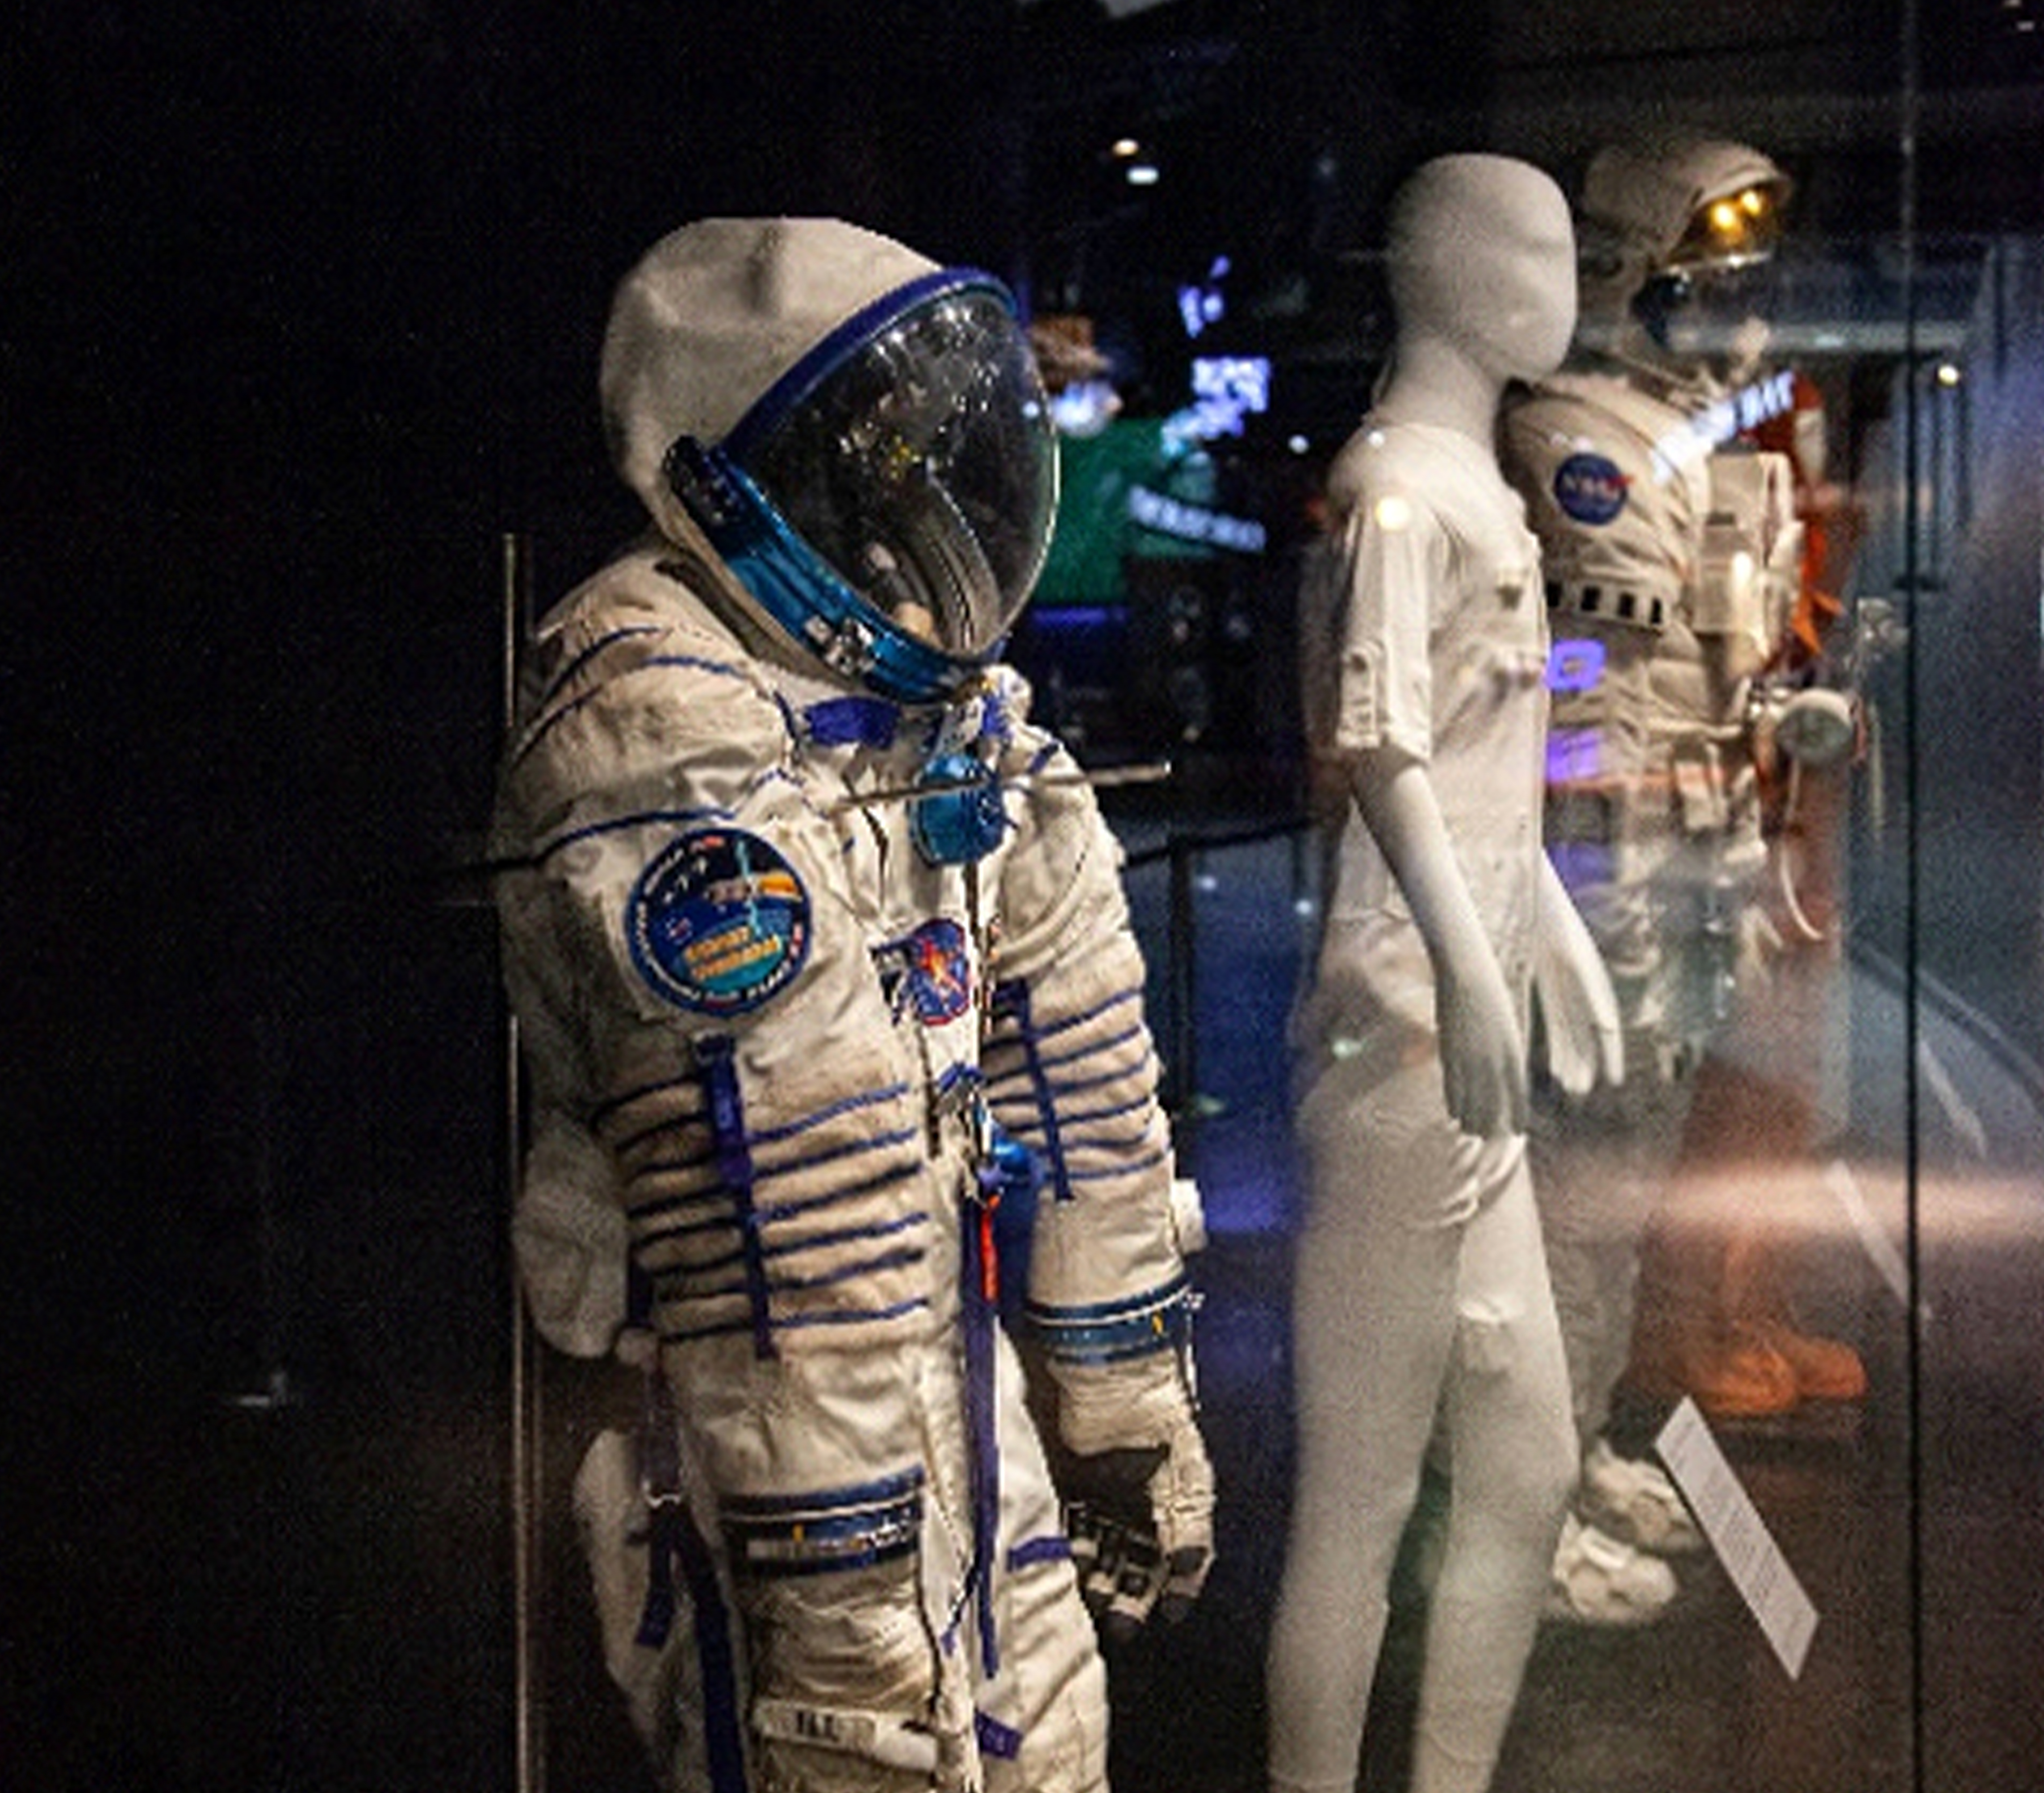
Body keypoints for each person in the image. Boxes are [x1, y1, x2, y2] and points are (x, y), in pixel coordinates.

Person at [491, 217, 1215, 1793]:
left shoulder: (934, 707)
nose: (919, 519)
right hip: (773, 1434)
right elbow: (786, 1221)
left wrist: (1125, 1401)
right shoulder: (654, 729)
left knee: (1053, 1739)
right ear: (729, 486)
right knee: (850, 1737)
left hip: (944, 1366)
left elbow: (1079, 1049)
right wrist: (836, 1592)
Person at [1267, 154, 1623, 1793]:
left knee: (1529, 1467)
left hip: (1460, 1056)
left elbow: (1475, 762)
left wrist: (1537, 921)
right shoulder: (1400, 494)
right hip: (1403, 1051)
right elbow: (1382, 752)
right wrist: (1476, 973)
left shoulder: (1475, 493)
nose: (1564, 280)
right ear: (1460, 273)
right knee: (1360, 1490)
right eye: (1540, 249)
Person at [1499, 136, 1866, 1624]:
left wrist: (1754, 742)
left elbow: (1705, 665)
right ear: (1626, 281)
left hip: (1687, 859)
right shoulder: (1571, 445)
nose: (1738, 325)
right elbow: (1561, 668)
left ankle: (1575, 1449)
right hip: (1601, 875)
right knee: (1573, 1216)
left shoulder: (1677, 439)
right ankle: (1520, 1498)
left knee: (1628, 1202)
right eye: (1708, 293)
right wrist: (1616, 773)